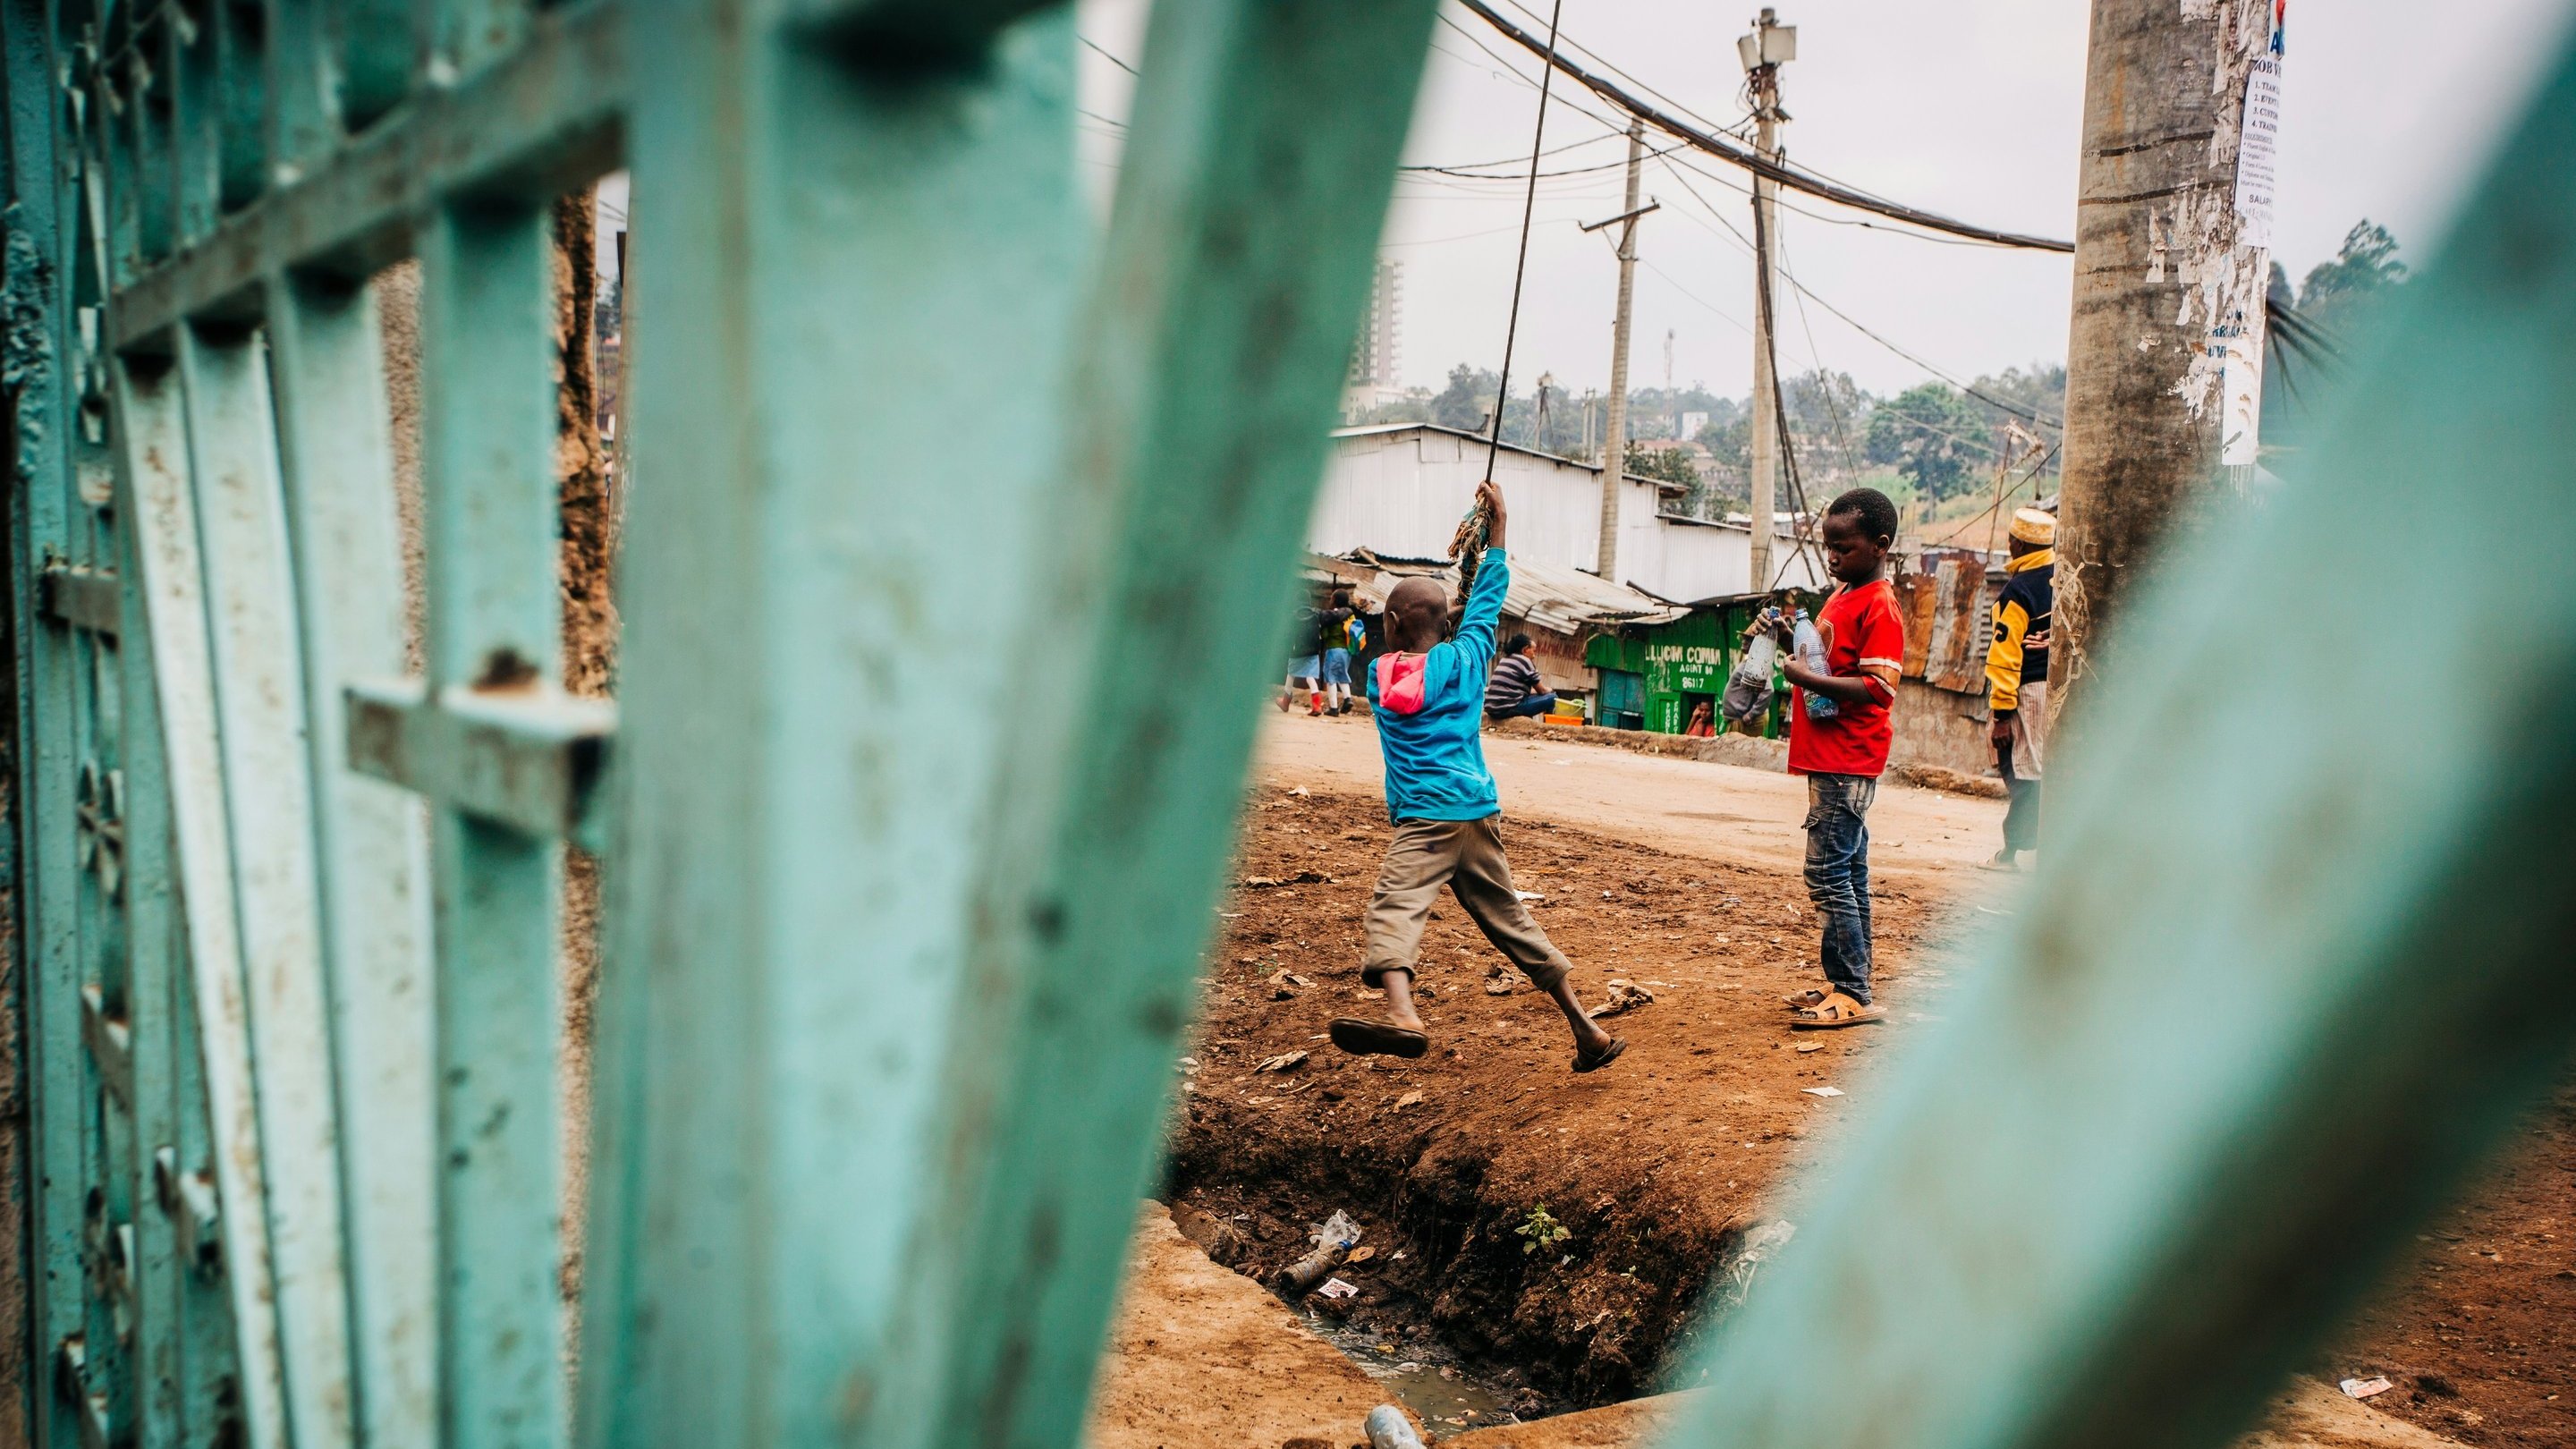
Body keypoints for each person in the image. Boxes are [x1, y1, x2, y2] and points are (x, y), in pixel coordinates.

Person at [1329, 480, 1626, 1073]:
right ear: (1445, 625)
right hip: (1477, 814)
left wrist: (1451, 606)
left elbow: (1446, 630)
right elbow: (1486, 604)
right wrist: (1498, 529)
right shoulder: (1466, 661)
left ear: (1390, 624)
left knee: (1396, 906)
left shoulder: (1380, 676)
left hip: (1423, 821)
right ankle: (1587, 1030)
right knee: (1511, 921)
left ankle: (1405, 1016)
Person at [1775, 487, 1905, 1030]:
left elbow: (1879, 687)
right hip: (1830, 755)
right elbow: (1830, 655)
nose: (1832, 558)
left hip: (1848, 758)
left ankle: (1851, 991)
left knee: (1827, 872)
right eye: (1828, 547)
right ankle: (1849, 985)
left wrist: (1807, 677)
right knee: (1848, 872)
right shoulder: (1844, 595)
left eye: (1843, 548)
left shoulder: (1880, 605)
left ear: (1879, 546)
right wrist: (1790, 637)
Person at [1981, 507, 2055, 871]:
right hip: (2057, 689)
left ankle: (2016, 851)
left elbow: (2005, 657)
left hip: (2027, 691)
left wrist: (2002, 715)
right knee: (2041, 768)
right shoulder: (2064, 577)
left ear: (2018, 543)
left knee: (2024, 769)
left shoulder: (2019, 590)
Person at [1484, 633, 1556, 720]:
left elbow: (1517, 691)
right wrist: (1550, 690)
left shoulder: (1505, 659)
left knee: (1529, 698)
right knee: (1553, 698)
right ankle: (1550, 727)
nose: (1534, 655)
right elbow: (1542, 691)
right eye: (1533, 651)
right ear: (1525, 650)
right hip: (1507, 708)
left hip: (1492, 709)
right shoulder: (1524, 661)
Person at [1279, 593, 1325, 715]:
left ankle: (1285, 702)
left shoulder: (1293, 616)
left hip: (1297, 651)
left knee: (1291, 674)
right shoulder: (1316, 614)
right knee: (1310, 676)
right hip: (1314, 651)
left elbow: (1288, 635)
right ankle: (1317, 706)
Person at [1318, 588, 1360, 716]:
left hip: (1334, 650)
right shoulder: (1350, 615)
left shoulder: (1332, 617)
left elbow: (1325, 635)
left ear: (1335, 600)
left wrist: (1322, 628)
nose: (1330, 600)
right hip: (1346, 651)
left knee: (1330, 678)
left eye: (1331, 598)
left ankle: (1334, 708)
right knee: (1342, 675)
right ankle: (1348, 698)